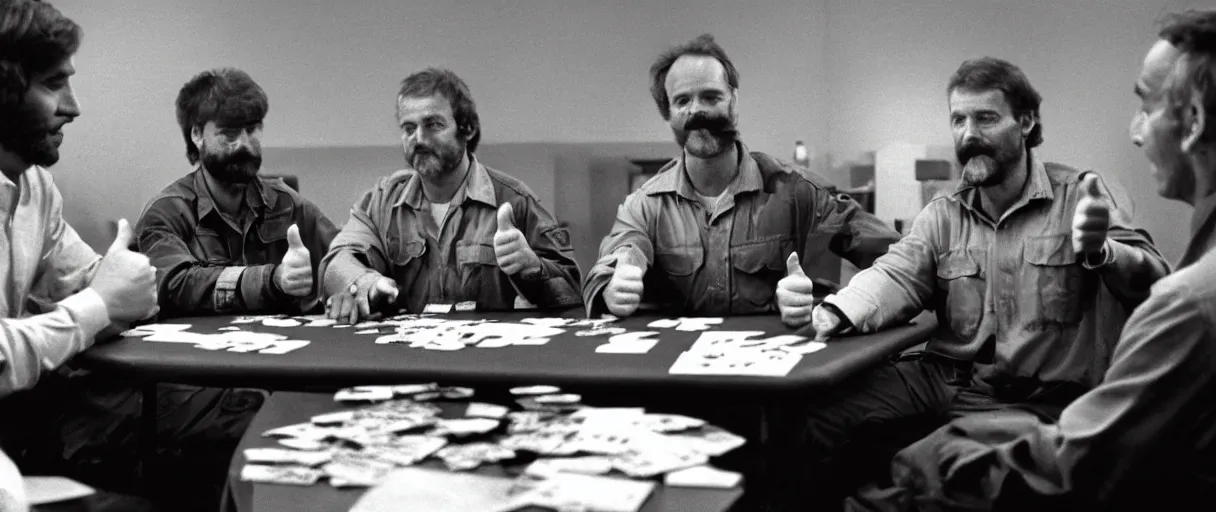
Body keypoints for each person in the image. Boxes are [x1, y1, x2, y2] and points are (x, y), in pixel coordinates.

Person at [845, 9, 1216, 511]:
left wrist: (1103, 252)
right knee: (822, 416)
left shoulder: (1080, 195)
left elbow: (1154, 279)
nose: (968, 133)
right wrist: (834, 310)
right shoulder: (944, 212)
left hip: (1040, 395)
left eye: (985, 118)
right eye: (958, 119)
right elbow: (893, 274)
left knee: (913, 473)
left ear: (1026, 122)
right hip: (946, 380)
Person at [0, 3, 253, 510]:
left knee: (241, 413)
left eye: (252, 130)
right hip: (20, 424)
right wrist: (101, 303)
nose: (74, 106)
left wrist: (119, 289)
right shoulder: (168, 205)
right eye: (53, 84)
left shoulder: (35, 187)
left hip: (38, 402)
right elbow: (97, 301)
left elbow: (105, 286)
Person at [582, 34, 901, 322]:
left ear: (734, 102)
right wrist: (614, 287)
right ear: (668, 115)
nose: (698, 111)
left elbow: (899, 259)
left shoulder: (798, 193)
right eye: (682, 101)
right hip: (679, 381)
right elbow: (623, 251)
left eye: (711, 97)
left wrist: (834, 303)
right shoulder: (645, 206)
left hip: (777, 378)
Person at [321, 68, 581, 323]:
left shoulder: (514, 201)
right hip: (404, 357)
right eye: (408, 128)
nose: (419, 139)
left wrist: (533, 268)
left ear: (467, 129)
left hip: (485, 358)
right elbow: (337, 261)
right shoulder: (381, 202)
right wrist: (366, 283)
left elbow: (573, 290)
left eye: (433, 125)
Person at [136, 68, 338, 317]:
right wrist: (272, 280)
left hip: (280, 350)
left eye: (252, 130)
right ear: (197, 135)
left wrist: (358, 281)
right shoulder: (167, 212)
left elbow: (342, 253)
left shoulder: (286, 203)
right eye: (229, 133)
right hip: (197, 353)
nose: (244, 143)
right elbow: (174, 286)